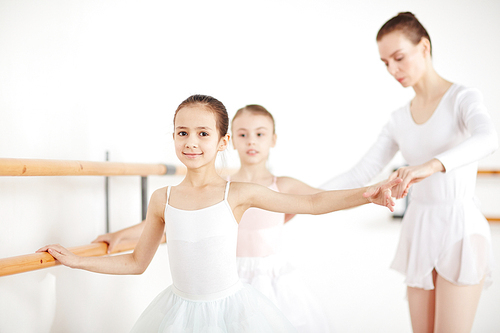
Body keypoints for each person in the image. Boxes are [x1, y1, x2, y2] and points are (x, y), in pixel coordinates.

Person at [38, 94, 401, 332]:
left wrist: (370, 194)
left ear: (222, 141)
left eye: (202, 133)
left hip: (232, 312)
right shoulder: (162, 198)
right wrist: (76, 261)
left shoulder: (238, 193)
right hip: (178, 314)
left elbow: (312, 203)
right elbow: (136, 262)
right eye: (182, 132)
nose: (191, 142)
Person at [321, 12, 498, 333]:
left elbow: (489, 138)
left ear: (424, 47)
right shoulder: (399, 119)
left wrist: (430, 165)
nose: (392, 70)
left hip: (460, 227)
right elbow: (360, 173)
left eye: (399, 58)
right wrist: (300, 199)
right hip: (420, 227)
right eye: (385, 62)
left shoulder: (462, 98)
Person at [95, 104, 334, 332]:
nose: (251, 140)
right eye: (243, 134)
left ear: (273, 139)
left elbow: (319, 200)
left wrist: (366, 194)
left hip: (271, 281)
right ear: (231, 140)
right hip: (227, 276)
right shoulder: (222, 188)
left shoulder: (279, 186)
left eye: (260, 134)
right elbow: (173, 218)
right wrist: (121, 234)